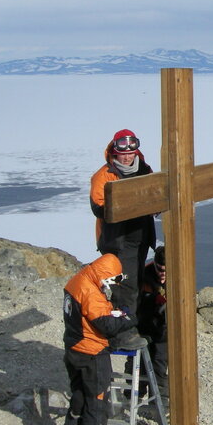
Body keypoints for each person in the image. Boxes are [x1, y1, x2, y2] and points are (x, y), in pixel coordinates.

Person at [56, 253, 146, 425]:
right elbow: (105, 325)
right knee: (96, 402)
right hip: (91, 352)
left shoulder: (78, 281)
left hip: (74, 348)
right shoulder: (90, 291)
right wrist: (127, 319)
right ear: (104, 274)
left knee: (78, 396)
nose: (112, 284)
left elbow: (92, 313)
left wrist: (111, 311)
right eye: (113, 279)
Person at [89, 129, 156, 313]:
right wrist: (127, 205)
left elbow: (155, 194)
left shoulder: (144, 169)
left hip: (140, 237)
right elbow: (98, 207)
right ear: (115, 152)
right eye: (122, 154)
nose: (126, 157)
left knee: (137, 281)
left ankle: (134, 322)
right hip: (118, 241)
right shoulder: (104, 175)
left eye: (130, 153)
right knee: (123, 285)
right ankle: (123, 330)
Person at [132, 245, 169, 402]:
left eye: (164, 270)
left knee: (159, 365)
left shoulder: (178, 278)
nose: (161, 274)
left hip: (163, 330)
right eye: (159, 269)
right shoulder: (143, 275)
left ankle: (160, 402)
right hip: (143, 325)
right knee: (136, 364)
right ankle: (133, 397)